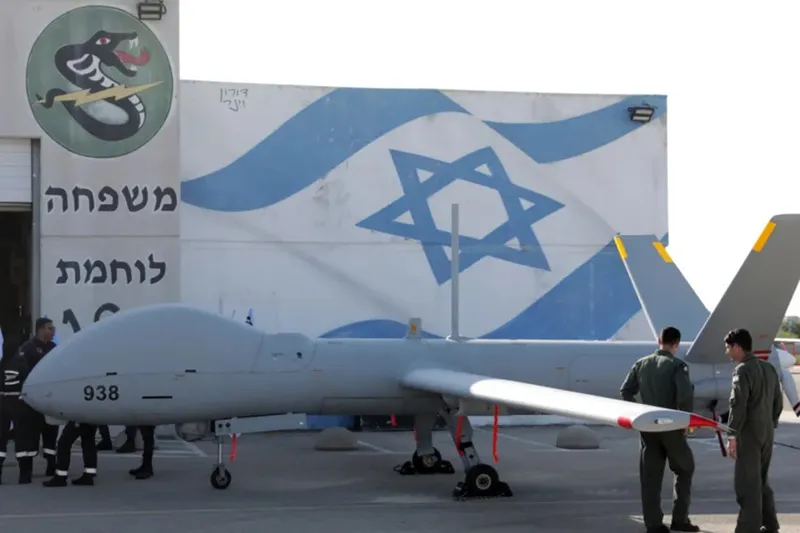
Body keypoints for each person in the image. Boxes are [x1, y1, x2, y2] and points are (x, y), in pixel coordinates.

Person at [620, 326, 700, 533]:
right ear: (676, 344)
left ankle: (653, 524)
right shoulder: (677, 366)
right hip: (671, 426)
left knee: (650, 477)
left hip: (648, 426)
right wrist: (685, 423)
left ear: (659, 341)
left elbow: (626, 390)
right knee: (685, 468)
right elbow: (684, 396)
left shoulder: (641, 364)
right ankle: (680, 519)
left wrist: (637, 414)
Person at [724, 328, 783, 533]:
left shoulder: (742, 370)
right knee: (761, 479)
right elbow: (778, 401)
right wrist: (770, 423)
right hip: (767, 431)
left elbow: (737, 405)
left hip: (749, 433)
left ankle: (748, 528)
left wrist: (731, 434)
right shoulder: (769, 368)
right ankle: (770, 523)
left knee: (747, 483)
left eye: (728, 347)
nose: (727, 351)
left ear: (737, 347)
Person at [18, 317, 59, 475]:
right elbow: (22, 372)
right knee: (30, 435)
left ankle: (51, 465)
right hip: (33, 401)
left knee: (51, 432)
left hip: (50, 398)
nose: (53, 331)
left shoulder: (54, 348)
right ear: (40, 329)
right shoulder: (28, 348)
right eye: (50, 328)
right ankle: (26, 471)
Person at [0, 346, 38, 484]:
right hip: (20, 404)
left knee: (1, 438)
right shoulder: (23, 363)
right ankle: (25, 475)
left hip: (3, 403)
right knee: (23, 440)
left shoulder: (2, 363)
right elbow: (28, 382)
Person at [42, 421, 98, 487]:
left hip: (80, 418)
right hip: (93, 419)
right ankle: (89, 476)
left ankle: (60, 477)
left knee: (64, 443)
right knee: (88, 442)